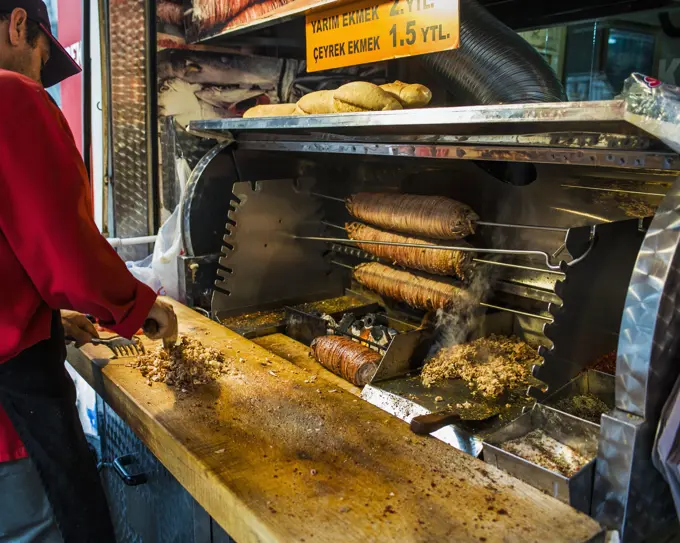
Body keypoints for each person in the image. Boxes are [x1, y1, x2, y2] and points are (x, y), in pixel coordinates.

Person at [0, 0, 178, 540]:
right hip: (13, 409)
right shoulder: (9, 93)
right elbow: (64, 244)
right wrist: (137, 306)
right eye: (41, 61)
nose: (38, 80)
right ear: (17, 25)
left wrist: (48, 315)